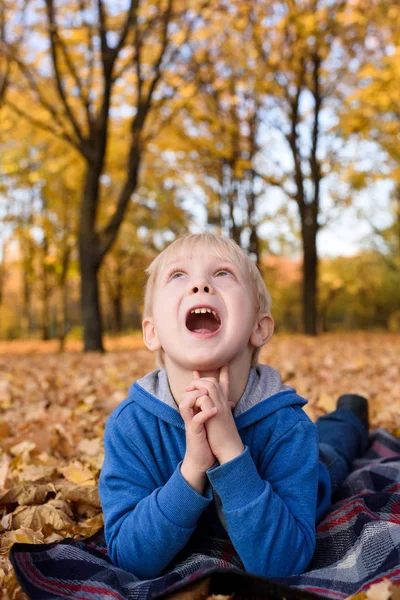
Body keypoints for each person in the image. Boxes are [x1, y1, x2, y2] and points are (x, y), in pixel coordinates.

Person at [98, 233, 369, 581]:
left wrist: (230, 450)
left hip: (313, 462)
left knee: (332, 451)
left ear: (260, 327)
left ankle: (350, 412)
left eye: (222, 274)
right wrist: (193, 467)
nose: (200, 285)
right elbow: (129, 557)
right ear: (152, 333)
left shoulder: (288, 426)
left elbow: (282, 564)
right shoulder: (131, 427)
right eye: (178, 275)